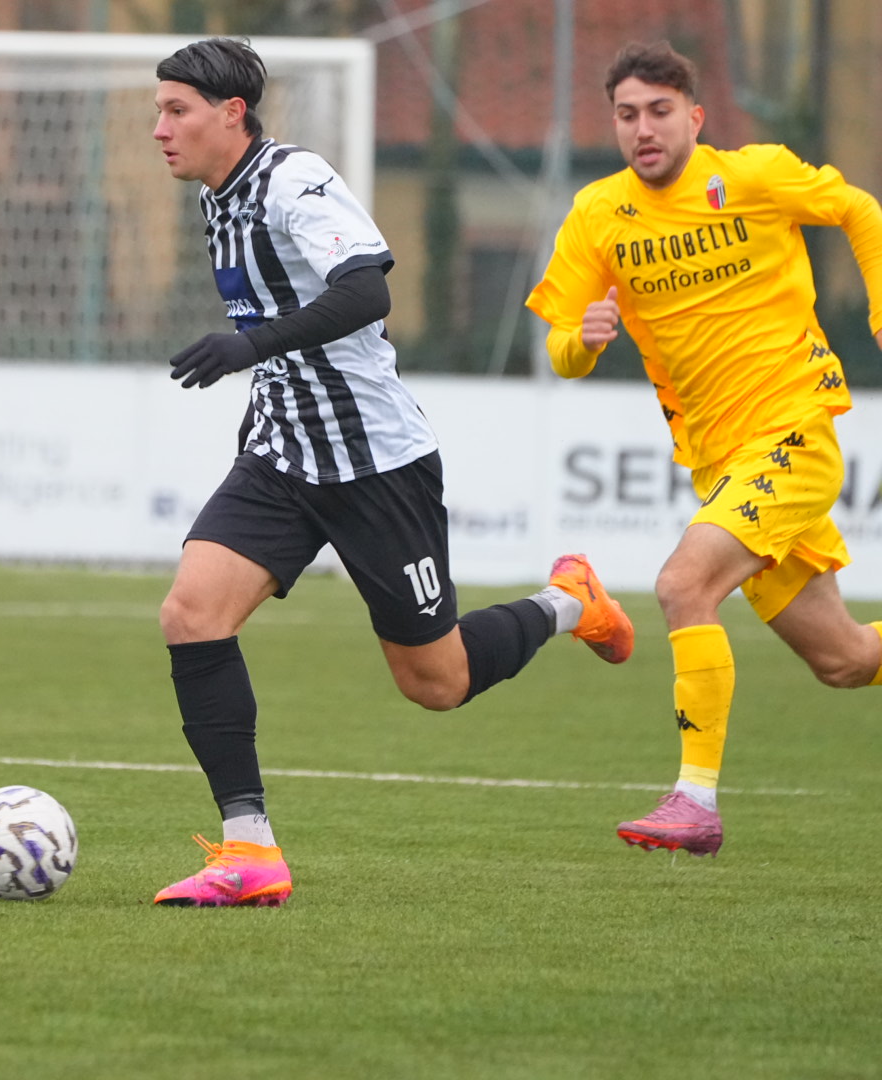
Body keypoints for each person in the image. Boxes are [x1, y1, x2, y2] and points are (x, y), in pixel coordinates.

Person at [149, 37, 634, 908]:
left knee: (436, 683)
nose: (160, 128)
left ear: (231, 114)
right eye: (160, 110)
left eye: (175, 110)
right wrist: (260, 379)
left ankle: (570, 602)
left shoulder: (295, 180)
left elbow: (367, 291)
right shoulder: (216, 200)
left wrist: (249, 347)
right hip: (282, 453)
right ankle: (250, 849)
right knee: (191, 614)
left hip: (375, 462)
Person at [527, 41, 882, 858]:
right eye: (626, 115)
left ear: (695, 117)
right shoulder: (598, 214)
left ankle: (695, 801)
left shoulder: (753, 177)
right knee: (845, 660)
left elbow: (858, 208)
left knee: (682, 585)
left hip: (794, 432)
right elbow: (562, 354)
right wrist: (583, 339)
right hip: (721, 465)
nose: (643, 129)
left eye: (659, 112)